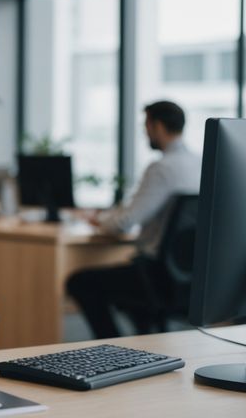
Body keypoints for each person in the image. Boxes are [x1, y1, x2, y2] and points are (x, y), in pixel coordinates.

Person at [67, 100, 201, 339]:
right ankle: (143, 338)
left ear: (158, 126)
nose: (145, 132)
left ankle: (113, 345)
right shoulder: (200, 163)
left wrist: (98, 220)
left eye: (146, 126)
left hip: (156, 275)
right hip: (189, 276)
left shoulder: (161, 168)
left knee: (80, 282)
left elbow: (124, 222)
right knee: (125, 285)